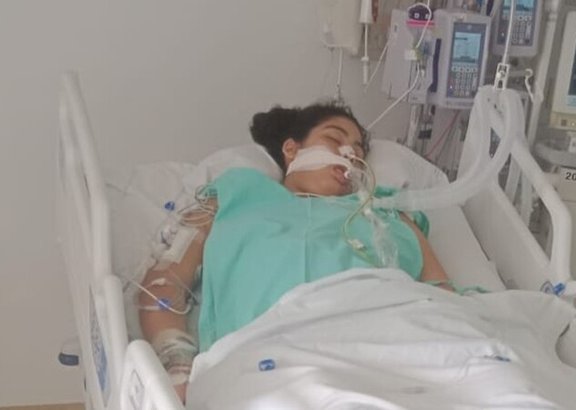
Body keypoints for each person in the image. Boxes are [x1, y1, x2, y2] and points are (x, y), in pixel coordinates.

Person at [138, 102, 451, 402]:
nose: (349, 155)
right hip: (264, 363)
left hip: (394, 353)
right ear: (291, 150)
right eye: (334, 140)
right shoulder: (237, 192)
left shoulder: (386, 209)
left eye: (358, 152)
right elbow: (164, 281)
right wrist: (177, 363)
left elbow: (443, 296)